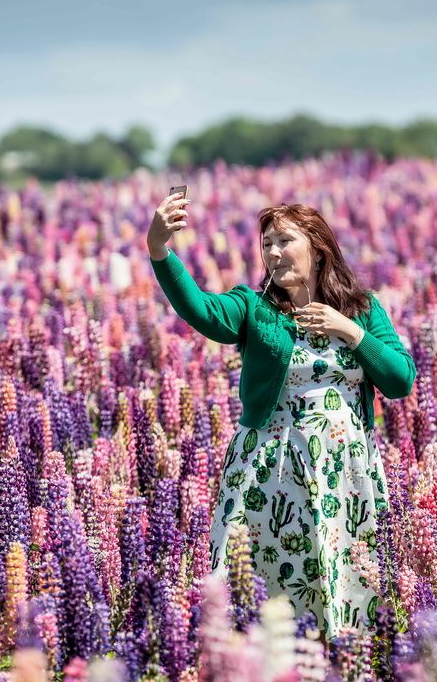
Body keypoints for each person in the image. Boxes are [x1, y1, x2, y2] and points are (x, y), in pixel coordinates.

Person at [146, 190, 415, 638]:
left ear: (318, 247)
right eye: (266, 243)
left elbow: (400, 380)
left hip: (342, 472)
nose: (272, 252)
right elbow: (203, 312)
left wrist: (348, 330)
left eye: (284, 241)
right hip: (269, 466)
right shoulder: (254, 306)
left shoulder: (362, 310)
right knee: (258, 583)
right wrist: (160, 250)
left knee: (346, 584)